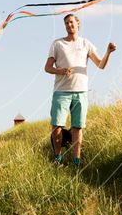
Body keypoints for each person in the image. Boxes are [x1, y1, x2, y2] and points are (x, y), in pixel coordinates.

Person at [44, 14, 116, 165]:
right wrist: (61, 71)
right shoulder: (57, 44)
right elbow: (47, 68)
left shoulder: (86, 43)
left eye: (71, 22)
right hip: (61, 91)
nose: (69, 25)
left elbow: (101, 65)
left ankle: (76, 160)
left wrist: (108, 52)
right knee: (56, 126)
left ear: (78, 23)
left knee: (77, 127)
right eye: (66, 23)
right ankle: (58, 157)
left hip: (80, 91)